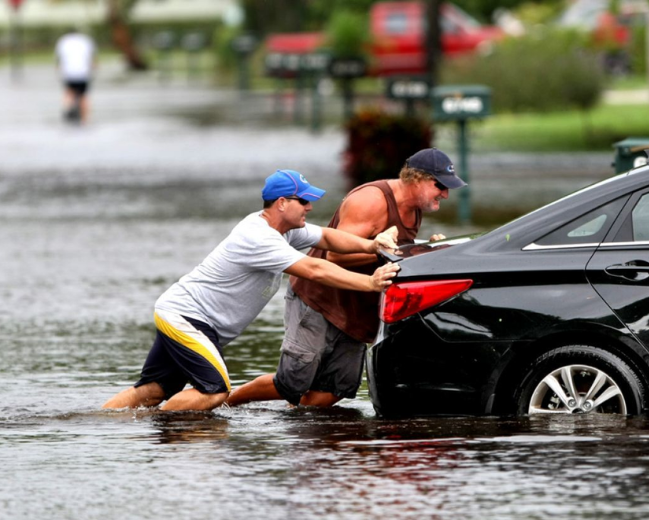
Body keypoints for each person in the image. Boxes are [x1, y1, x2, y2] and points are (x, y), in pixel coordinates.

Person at [102, 169, 400, 411]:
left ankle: (99, 423)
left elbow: (328, 238)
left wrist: (371, 245)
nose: (310, 207)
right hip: (186, 317)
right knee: (215, 392)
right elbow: (315, 269)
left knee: (154, 391)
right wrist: (369, 283)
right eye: (304, 201)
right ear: (282, 203)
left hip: (183, 315)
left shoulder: (283, 230)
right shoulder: (259, 237)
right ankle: (159, 434)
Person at [227, 148, 467, 409]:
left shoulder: (415, 206)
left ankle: (296, 432)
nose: (445, 193)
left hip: (356, 305)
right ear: (416, 179)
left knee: (335, 389)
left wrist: (425, 250)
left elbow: (396, 252)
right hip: (319, 299)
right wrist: (400, 253)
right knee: (292, 382)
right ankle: (226, 402)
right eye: (440, 185)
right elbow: (335, 257)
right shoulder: (371, 200)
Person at [55, 28, 97, 124]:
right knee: (83, 95)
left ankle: (68, 108)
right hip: (83, 72)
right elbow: (92, 58)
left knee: (69, 92)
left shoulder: (63, 41)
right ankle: (85, 119)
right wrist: (93, 69)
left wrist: (58, 69)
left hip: (69, 72)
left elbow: (58, 58)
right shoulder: (86, 40)